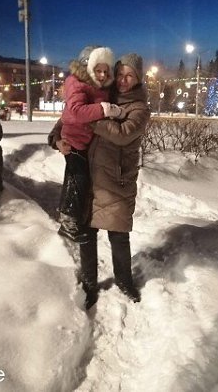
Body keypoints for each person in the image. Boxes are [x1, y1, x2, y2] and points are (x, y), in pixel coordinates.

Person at [50, 53, 150, 309]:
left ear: (138, 79)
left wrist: (91, 117)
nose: (124, 80)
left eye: (130, 76)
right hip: (91, 177)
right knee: (87, 234)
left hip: (118, 180)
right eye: (121, 74)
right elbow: (68, 116)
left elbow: (123, 133)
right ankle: (89, 285)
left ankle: (125, 282)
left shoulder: (139, 108)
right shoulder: (102, 94)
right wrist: (57, 139)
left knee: (119, 235)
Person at [57, 45, 118, 244]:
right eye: (98, 70)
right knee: (77, 180)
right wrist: (104, 109)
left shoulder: (98, 86)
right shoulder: (77, 83)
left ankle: (74, 220)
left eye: (106, 71)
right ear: (88, 68)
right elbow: (77, 111)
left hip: (85, 142)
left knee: (80, 180)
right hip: (74, 140)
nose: (102, 75)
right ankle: (67, 222)